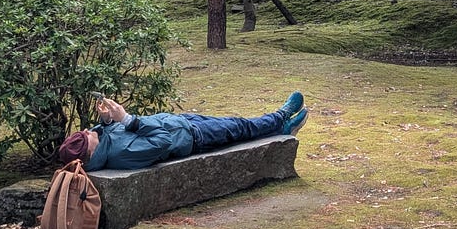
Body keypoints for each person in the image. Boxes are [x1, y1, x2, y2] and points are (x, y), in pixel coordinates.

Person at [56, 92, 308, 171]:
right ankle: (281, 116)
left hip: (182, 123)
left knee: (238, 125)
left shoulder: (104, 144)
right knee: (243, 127)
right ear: (90, 151)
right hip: (194, 137)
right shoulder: (122, 154)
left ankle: (282, 130)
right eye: (86, 136)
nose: (88, 130)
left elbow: (110, 133)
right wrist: (127, 119)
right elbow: (163, 141)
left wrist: (108, 120)